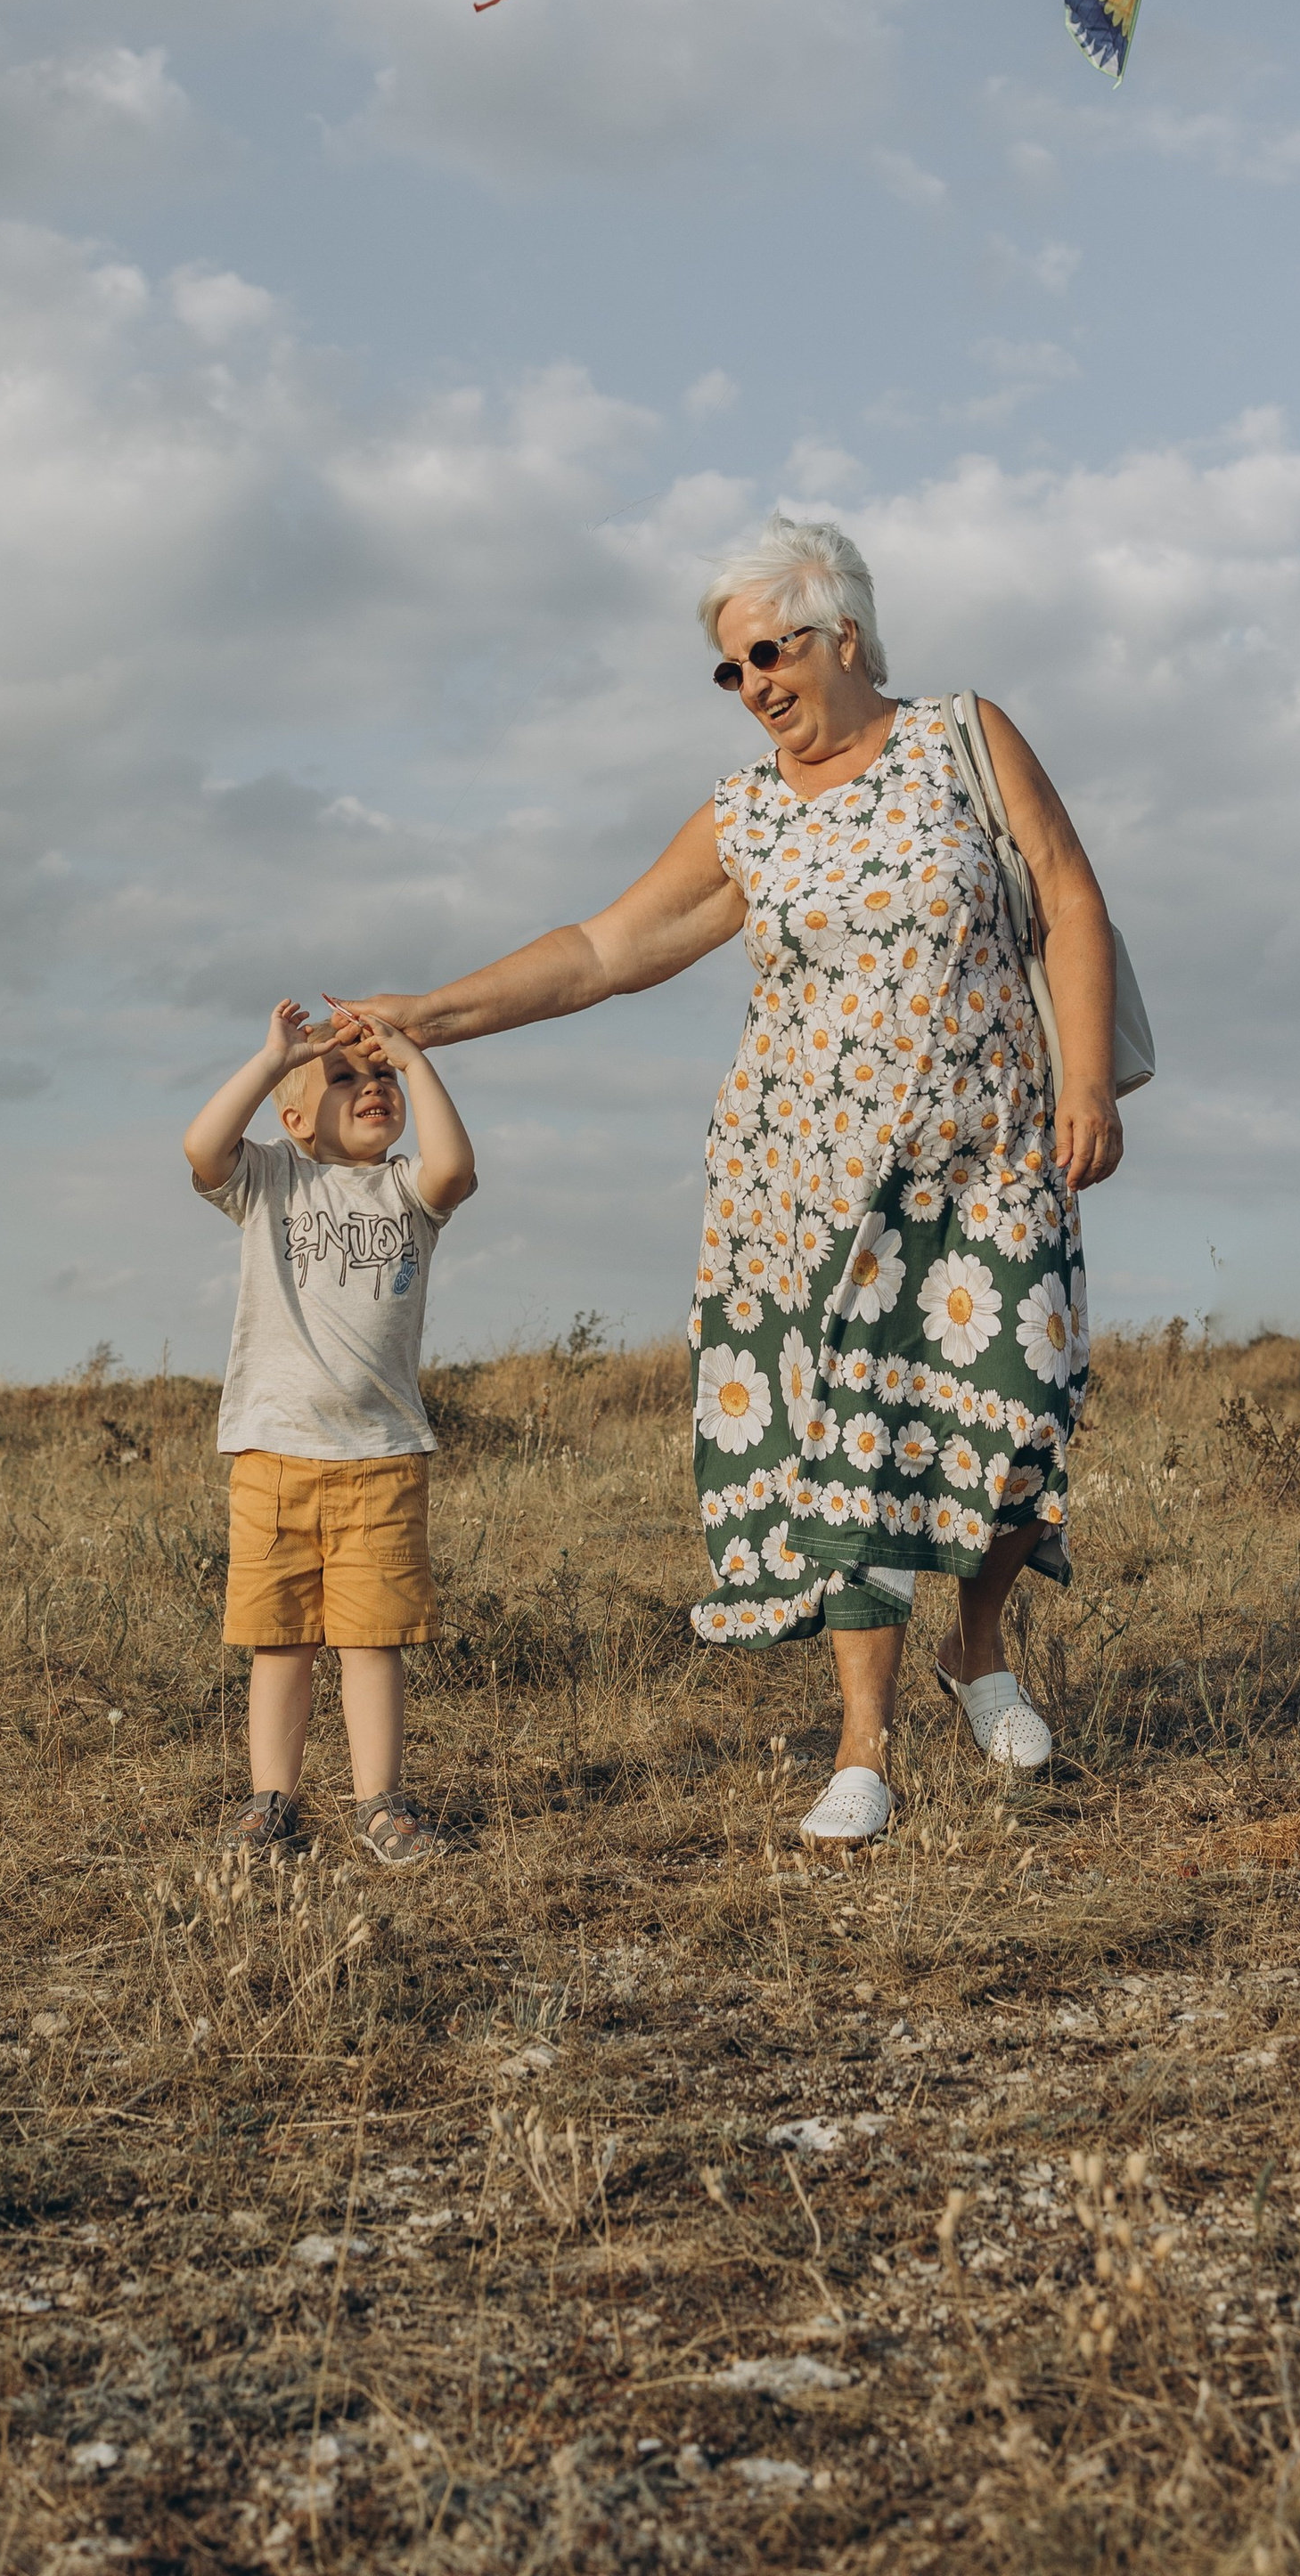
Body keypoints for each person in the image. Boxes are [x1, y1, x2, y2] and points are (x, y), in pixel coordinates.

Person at [330, 514, 1124, 1854]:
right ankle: (863, 1750)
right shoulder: (747, 811)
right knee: (852, 1447)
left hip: (987, 1156)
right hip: (805, 1184)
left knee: (1021, 1400)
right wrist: (432, 1011)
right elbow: (601, 950)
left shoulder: (963, 740)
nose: (753, 683)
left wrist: (1088, 1080)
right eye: (729, 669)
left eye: (768, 652)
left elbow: (1066, 894)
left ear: (842, 636)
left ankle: (978, 1646)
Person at [183, 1000, 477, 1866]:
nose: (372, 1087)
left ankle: (380, 1804)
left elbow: (457, 1167)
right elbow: (202, 1149)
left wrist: (416, 1059)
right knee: (279, 1643)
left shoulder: (406, 1190)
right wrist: (275, 1059)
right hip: (274, 1454)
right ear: (294, 1114)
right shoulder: (270, 1179)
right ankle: (271, 1801)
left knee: (369, 1641)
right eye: (344, 1078)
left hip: (381, 1459)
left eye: (380, 1077)